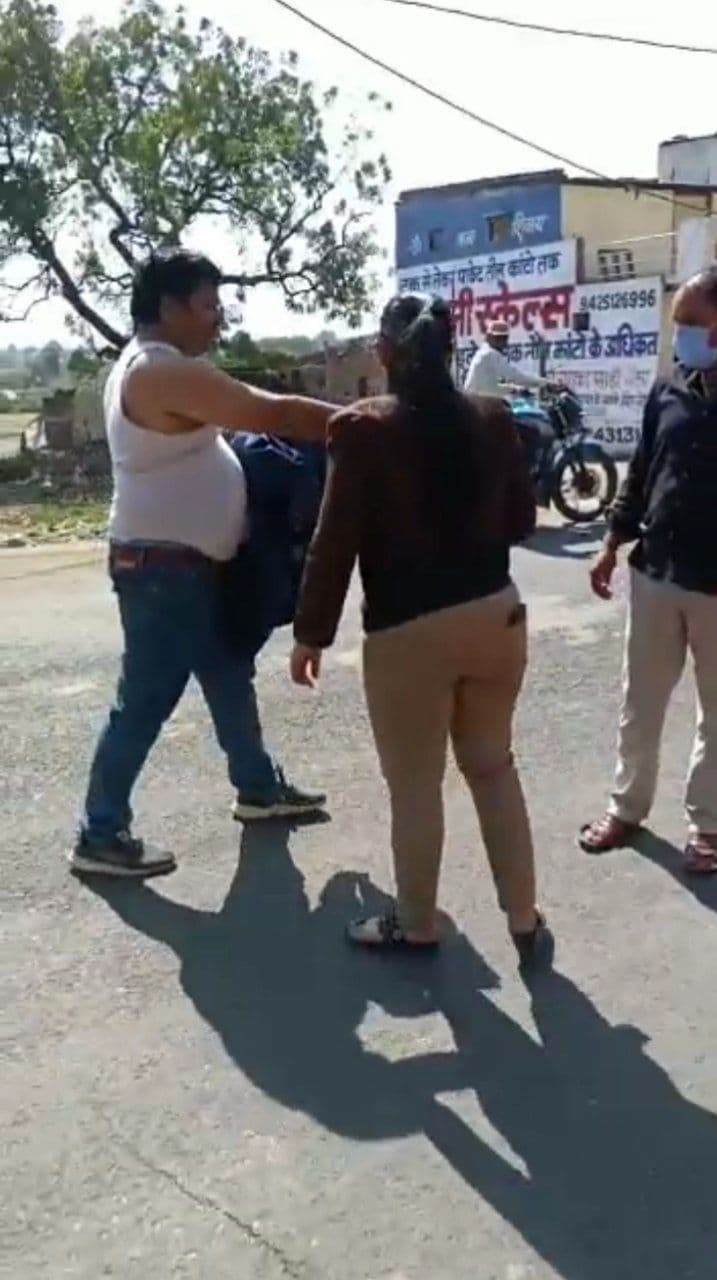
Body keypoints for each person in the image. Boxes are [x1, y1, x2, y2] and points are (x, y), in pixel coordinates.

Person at [290, 294, 552, 967]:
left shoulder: (360, 429)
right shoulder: (493, 418)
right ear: (450, 349)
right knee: (493, 768)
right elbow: (522, 521)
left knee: (415, 787)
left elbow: (334, 541)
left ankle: (415, 924)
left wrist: (311, 633)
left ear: (384, 352)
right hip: (496, 615)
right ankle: (525, 920)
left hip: (407, 632)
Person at [72, 250, 334, 880]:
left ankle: (257, 787)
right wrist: (371, 425)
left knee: (227, 673)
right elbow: (273, 413)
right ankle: (100, 833)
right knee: (145, 701)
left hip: (181, 567)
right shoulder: (158, 370)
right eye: (209, 305)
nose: (219, 319)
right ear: (169, 307)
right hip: (162, 571)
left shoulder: (154, 365)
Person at [580, 267, 717, 871]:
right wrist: (612, 541)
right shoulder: (667, 390)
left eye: (690, 322)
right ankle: (626, 809)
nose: (679, 333)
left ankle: (709, 826)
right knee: (641, 703)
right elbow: (641, 470)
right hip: (656, 573)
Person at [463, 320, 556, 398]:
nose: (501, 341)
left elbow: (489, 385)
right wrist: (545, 383)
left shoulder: (483, 352)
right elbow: (516, 377)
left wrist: (514, 389)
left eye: (503, 338)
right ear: (489, 337)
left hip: (475, 401)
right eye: (497, 338)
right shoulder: (490, 354)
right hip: (477, 404)